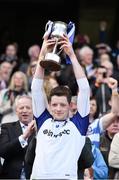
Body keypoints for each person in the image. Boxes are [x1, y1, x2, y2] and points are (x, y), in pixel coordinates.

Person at [30, 30, 90, 179]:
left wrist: (72, 55)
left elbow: (84, 89)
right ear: (49, 105)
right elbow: (35, 88)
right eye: (55, 105)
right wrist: (43, 53)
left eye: (62, 105)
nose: (58, 109)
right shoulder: (43, 120)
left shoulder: (78, 124)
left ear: (70, 106)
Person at [0, 95, 36, 179]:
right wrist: (23, 137)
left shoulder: (40, 129)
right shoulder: (7, 127)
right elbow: (3, 151)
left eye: (28, 107)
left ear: (33, 110)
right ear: (16, 111)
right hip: (11, 176)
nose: (24, 110)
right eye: (21, 108)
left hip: (33, 175)